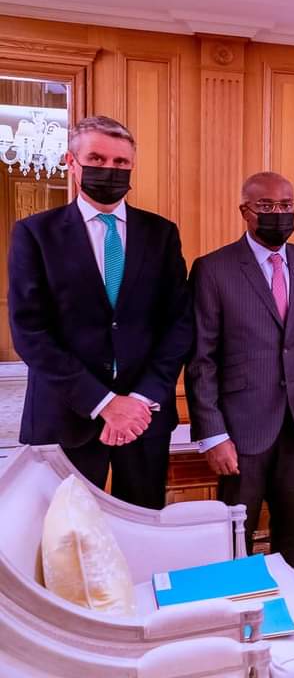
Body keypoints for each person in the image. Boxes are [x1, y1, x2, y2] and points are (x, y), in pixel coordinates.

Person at [8, 115, 191, 509]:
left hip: (144, 419)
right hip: (64, 417)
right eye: (97, 159)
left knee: (143, 527)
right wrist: (105, 403)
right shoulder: (35, 234)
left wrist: (139, 400)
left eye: (120, 162)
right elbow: (30, 333)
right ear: (71, 163)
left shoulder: (161, 234)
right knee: (62, 535)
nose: (110, 169)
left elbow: (178, 324)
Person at [185, 172, 294, 576]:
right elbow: (201, 358)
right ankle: (238, 609)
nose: (278, 213)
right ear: (245, 211)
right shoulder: (213, 269)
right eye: (266, 206)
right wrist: (213, 434)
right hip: (240, 431)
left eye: (286, 205)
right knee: (236, 536)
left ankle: (291, 605)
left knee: (292, 536)